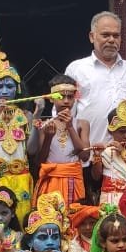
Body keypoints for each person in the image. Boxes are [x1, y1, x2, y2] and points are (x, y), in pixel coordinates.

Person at [66, 11, 126, 149]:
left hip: (125, 157)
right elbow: (65, 115)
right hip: (89, 155)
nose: (111, 40)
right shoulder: (76, 69)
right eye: (105, 35)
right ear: (92, 37)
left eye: (116, 35)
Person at [0, 53, 40, 224]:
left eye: (9, 86)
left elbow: (32, 151)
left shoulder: (26, 115)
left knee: (20, 219)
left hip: (21, 177)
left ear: (18, 88)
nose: (5, 91)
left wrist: (36, 117)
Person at [37, 75, 91, 206]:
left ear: (75, 98)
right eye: (61, 97)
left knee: (73, 214)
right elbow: (40, 160)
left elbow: (85, 156)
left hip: (73, 180)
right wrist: (48, 137)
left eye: (70, 97)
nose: (66, 101)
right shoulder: (44, 125)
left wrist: (70, 127)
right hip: (51, 181)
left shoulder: (82, 124)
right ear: (52, 98)